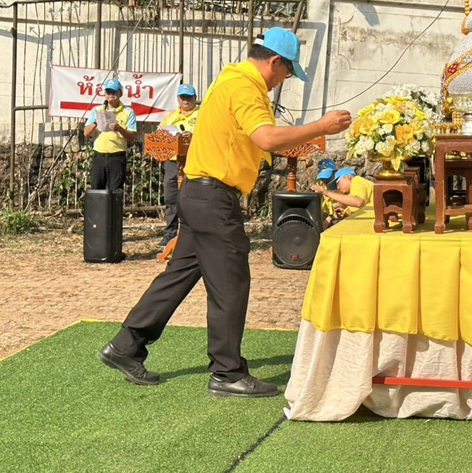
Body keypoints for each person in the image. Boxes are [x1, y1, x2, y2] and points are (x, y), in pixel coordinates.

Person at [98, 27, 351, 397]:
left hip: (197, 193)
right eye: (287, 71)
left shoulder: (230, 79)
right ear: (274, 62)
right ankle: (227, 372)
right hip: (215, 198)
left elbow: (255, 138)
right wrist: (321, 126)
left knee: (178, 275)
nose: (284, 79)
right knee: (231, 283)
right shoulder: (246, 87)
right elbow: (266, 138)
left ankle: (126, 345)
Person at [157, 83, 200, 246]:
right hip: (172, 163)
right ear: (178, 99)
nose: (186, 100)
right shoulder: (170, 117)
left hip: (194, 162)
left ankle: (192, 235)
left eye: (189, 97)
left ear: (195, 98)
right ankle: (170, 234)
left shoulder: (202, 115)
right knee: (171, 198)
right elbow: (160, 136)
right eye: (183, 97)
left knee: (193, 199)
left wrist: (191, 136)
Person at [84, 78, 137, 193]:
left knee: (115, 192)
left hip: (117, 157)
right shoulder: (97, 110)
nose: (110, 95)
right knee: (96, 190)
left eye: (114, 92)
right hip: (99, 156)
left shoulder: (129, 112)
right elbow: (86, 133)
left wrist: (119, 129)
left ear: (120, 93)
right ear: (104, 94)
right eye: (108, 92)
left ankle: (114, 206)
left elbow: (132, 137)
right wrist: (96, 122)